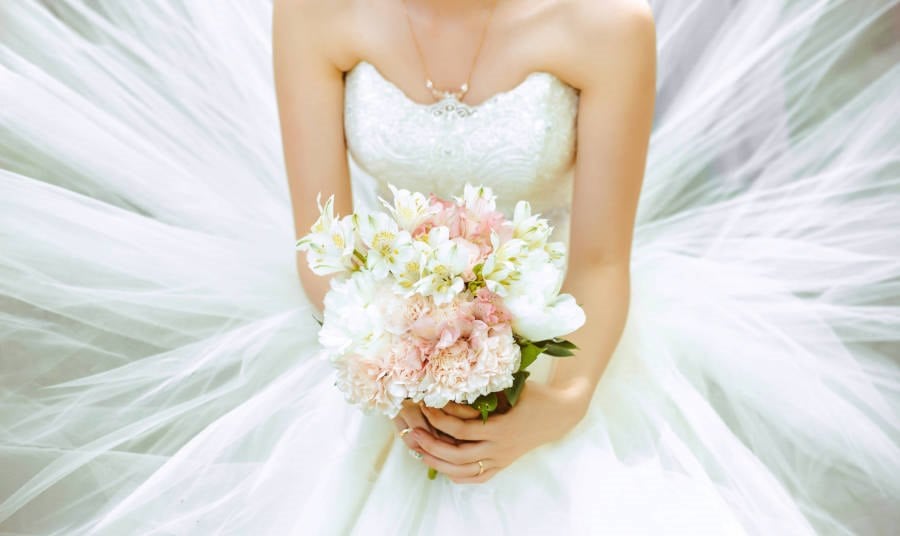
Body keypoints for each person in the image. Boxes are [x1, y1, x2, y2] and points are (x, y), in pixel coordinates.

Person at [1, 0, 898, 534]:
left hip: (553, 338)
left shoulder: (606, 25)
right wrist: (394, 366)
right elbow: (324, 245)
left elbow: (598, 261)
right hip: (376, 343)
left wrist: (554, 405)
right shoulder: (317, 13)